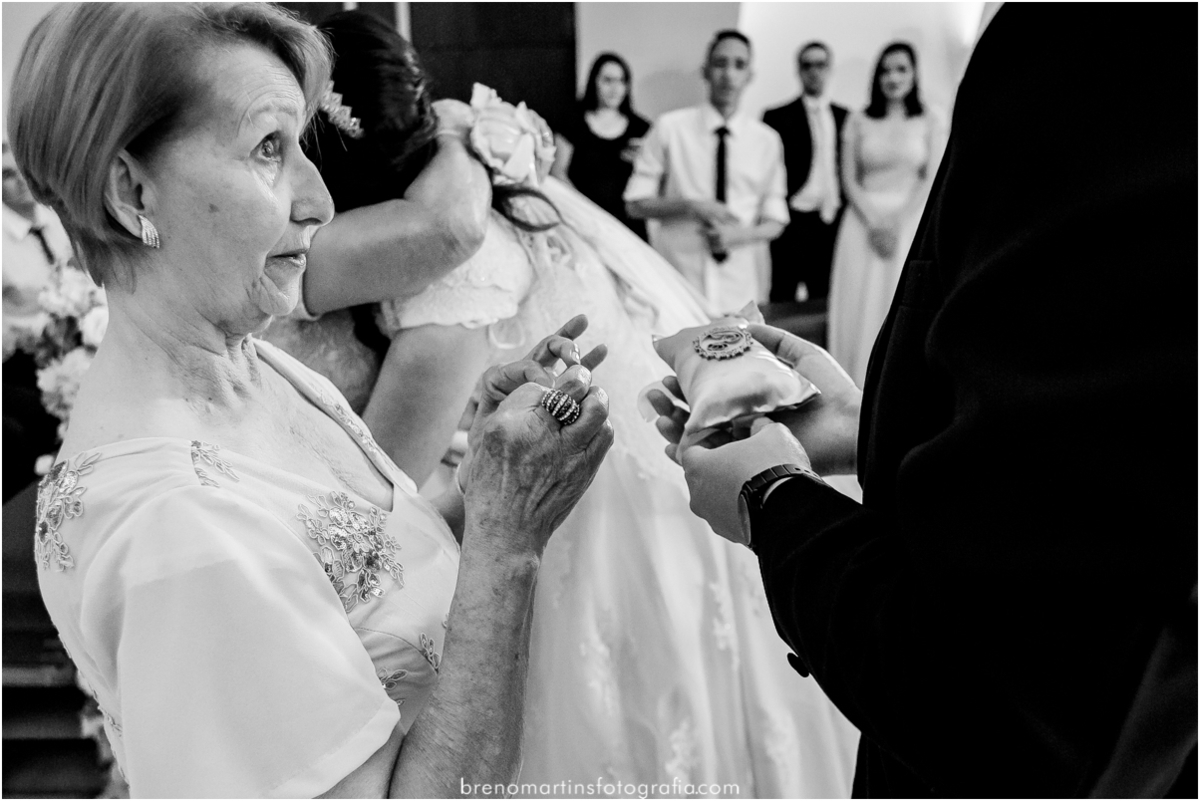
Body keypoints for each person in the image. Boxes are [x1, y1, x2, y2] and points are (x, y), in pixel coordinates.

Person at [10, 4, 613, 797]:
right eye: (268, 148)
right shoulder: (179, 531)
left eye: (303, 145)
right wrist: (510, 545)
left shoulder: (262, 365)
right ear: (131, 192)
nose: (320, 200)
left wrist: (491, 482)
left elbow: (380, 575)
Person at [278, 12, 859, 796]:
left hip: (595, 516)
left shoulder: (452, 268)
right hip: (644, 477)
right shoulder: (487, 186)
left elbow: (379, 502)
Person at [649, 4, 1196, 796]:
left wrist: (773, 500)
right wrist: (872, 426)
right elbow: (1077, 433)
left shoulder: (1113, 35)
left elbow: (996, 684)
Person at [625, 30, 789, 315]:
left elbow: (776, 219)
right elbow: (634, 204)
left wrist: (737, 236)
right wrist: (691, 205)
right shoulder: (669, 128)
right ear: (706, 71)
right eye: (720, 63)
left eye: (739, 65)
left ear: (750, 74)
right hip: (677, 281)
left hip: (738, 288)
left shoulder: (767, 140)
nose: (728, 74)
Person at [826, 42, 943, 386]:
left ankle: (895, 384)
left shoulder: (931, 119)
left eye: (901, 69)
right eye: (886, 70)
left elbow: (932, 177)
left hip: (910, 221)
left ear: (913, 74)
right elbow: (848, 178)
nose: (893, 77)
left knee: (897, 301)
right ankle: (850, 383)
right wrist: (874, 219)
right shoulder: (858, 119)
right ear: (877, 76)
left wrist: (896, 220)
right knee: (858, 306)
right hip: (862, 222)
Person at [3, 140, 72, 500]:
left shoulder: (54, 219)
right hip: (22, 358)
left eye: (21, 171)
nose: (20, 182)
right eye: (6, 176)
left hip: (68, 338)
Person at [762, 42, 849, 304]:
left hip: (832, 220)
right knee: (783, 293)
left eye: (820, 64)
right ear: (798, 70)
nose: (814, 71)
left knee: (826, 297)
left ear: (830, 69)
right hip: (793, 220)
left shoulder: (846, 116)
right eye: (807, 65)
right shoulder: (777, 116)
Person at [549, 52, 651, 241]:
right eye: (607, 80)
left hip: (628, 227)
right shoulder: (571, 122)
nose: (615, 88)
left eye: (621, 81)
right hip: (582, 223)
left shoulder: (641, 129)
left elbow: (652, 179)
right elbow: (557, 173)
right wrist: (586, 213)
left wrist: (642, 161)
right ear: (593, 82)